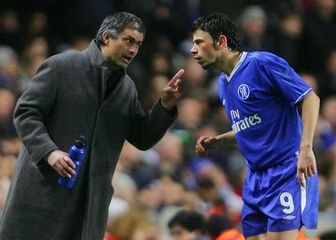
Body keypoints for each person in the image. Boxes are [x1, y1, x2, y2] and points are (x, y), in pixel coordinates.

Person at [0, 12, 184, 240]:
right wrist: (49, 151)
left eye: (138, 44)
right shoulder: (62, 66)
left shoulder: (127, 88)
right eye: (128, 40)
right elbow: (26, 112)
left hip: (88, 208)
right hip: (43, 197)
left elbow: (142, 138)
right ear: (107, 37)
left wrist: (164, 107)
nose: (134, 50)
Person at [192, 13, 320, 240]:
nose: (193, 50)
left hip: (286, 171)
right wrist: (218, 141)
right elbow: (248, 128)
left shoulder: (262, 63)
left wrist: (307, 148)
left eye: (199, 42)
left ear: (221, 42)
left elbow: (310, 99)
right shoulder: (223, 83)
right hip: (255, 179)